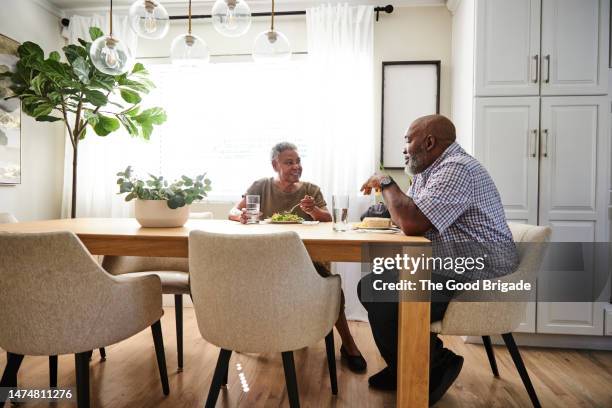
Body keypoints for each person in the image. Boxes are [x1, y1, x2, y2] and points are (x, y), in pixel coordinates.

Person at [359, 115, 518, 405]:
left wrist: (385, 181)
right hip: (452, 265)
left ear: (429, 142)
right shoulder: (428, 172)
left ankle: (436, 362)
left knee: (383, 293)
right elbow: (411, 214)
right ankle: (405, 366)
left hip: (481, 273)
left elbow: (412, 221)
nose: (404, 148)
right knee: (371, 285)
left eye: (408, 140)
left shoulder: (457, 169)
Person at [229, 142, 367, 373]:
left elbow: (328, 220)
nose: (296, 166)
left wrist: (313, 211)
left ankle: (349, 344)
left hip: (306, 262)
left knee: (328, 284)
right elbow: (234, 211)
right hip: (265, 263)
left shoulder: (311, 190)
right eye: (289, 162)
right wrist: (241, 215)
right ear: (275, 165)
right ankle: (244, 334)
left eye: (298, 161)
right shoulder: (260, 186)